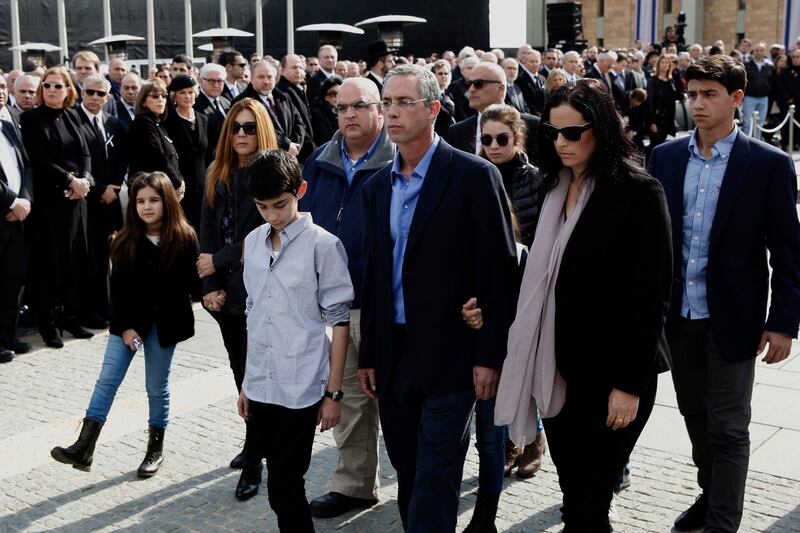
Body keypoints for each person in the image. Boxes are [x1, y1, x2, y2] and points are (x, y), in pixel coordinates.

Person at [495, 79, 672, 532]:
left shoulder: (638, 192)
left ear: (603, 130)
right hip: (559, 372)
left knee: (587, 505)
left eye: (573, 132)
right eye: (553, 133)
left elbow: (650, 297)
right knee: (576, 496)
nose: (561, 142)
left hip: (614, 378)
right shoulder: (554, 187)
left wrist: (628, 385)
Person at [359, 64, 518, 531]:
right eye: (386, 102)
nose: (391, 112)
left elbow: (499, 273)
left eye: (403, 102)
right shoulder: (375, 188)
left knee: (435, 477)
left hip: (452, 354)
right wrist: (370, 352)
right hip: (393, 356)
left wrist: (490, 355)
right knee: (409, 476)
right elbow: (373, 278)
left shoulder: (472, 175)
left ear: (432, 109)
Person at [648, 54, 800, 533]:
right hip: (679, 317)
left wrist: (782, 323)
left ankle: (721, 523)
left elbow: (789, 252)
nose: (697, 104)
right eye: (692, 94)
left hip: (735, 316)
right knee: (695, 416)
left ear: (737, 99)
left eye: (709, 95)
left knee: (729, 427)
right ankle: (710, 492)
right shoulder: (666, 157)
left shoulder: (769, 165)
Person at [50, 171, 199, 477]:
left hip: (164, 326)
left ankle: (155, 449)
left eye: (154, 200)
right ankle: (84, 446)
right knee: (107, 380)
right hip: (128, 324)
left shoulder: (184, 238)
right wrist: (128, 326)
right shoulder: (123, 240)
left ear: (167, 202)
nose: (146, 206)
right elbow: (118, 293)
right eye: (140, 200)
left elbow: (192, 286)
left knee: (156, 388)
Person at [238, 149, 353, 531]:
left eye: (280, 205)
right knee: (278, 487)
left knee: (287, 484)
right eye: (263, 207)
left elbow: (339, 324)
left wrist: (333, 394)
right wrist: (246, 383)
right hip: (261, 384)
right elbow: (255, 314)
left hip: (303, 385)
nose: (273, 215)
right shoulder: (253, 242)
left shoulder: (323, 245)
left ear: (300, 191)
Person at [301, 77, 394, 518]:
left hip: (385, 303)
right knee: (350, 399)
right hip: (335, 305)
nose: (350, 115)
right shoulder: (319, 160)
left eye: (360, 106)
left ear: (380, 110)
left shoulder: (398, 159)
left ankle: (417, 483)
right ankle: (356, 485)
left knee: (394, 397)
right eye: (342, 108)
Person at [458, 103, 547, 532]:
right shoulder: (472, 177)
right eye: (486, 139)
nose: (492, 146)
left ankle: (488, 513)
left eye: (501, 139)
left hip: (512, 320)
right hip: (467, 330)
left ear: (517, 140)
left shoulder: (533, 183)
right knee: (480, 435)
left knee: (494, 432)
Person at [198, 97, 279, 501]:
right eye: (235, 127)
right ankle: (254, 444)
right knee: (239, 372)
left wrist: (219, 259)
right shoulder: (217, 172)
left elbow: (268, 232)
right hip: (224, 294)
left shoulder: (271, 172)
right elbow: (206, 233)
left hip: (260, 291)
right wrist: (209, 282)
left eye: (249, 127)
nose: (242, 134)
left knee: (256, 374)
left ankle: (254, 460)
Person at [20, 66, 95, 348]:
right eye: (47, 86)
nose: (52, 90)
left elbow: (85, 152)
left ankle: (71, 317)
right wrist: (69, 180)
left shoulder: (73, 115)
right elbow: (38, 159)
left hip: (76, 201)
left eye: (58, 86)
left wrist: (85, 180)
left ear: (68, 90)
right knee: (48, 265)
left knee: (74, 260)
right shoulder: (31, 118)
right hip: (50, 202)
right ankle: (48, 324)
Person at [76, 74, 128, 328]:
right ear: (82, 93)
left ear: (108, 97)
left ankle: (109, 306)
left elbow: (122, 160)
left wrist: (115, 187)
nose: (95, 97)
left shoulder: (114, 124)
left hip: (112, 199)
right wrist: (100, 190)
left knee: (111, 255)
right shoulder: (74, 121)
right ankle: (91, 309)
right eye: (90, 92)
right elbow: (78, 163)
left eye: (101, 94)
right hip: (88, 200)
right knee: (91, 258)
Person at [448, 63, 540, 163]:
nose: (471, 89)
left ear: (500, 89)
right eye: (469, 84)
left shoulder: (533, 126)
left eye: (478, 84)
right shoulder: (456, 132)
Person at [0, 113, 33, 361]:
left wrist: (24, 200)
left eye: (2, 87)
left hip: (18, 218)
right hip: (3, 213)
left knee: (11, 282)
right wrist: (11, 202)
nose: (0, 92)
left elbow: (27, 166)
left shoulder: (9, 127)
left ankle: (7, 336)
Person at [234, 61, 308, 160]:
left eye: (269, 77)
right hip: (260, 160)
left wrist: (295, 146)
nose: (266, 81)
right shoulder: (242, 102)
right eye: (261, 77)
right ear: (251, 79)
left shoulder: (284, 97)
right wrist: (286, 145)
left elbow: (299, 123)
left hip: (290, 158)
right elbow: (261, 128)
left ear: (275, 78)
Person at [164, 75, 209, 229]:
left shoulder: (203, 119)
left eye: (191, 92)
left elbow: (209, 153)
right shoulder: (168, 121)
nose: (188, 96)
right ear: (174, 96)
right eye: (183, 92)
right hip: (180, 187)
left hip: (203, 187)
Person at [127, 79, 185, 195]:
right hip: (150, 191)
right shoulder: (143, 123)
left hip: (163, 188)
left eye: (164, 96)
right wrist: (177, 182)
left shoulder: (157, 124)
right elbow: (158, 157)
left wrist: (180, 180)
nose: (161, 100)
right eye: (155, 96)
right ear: (143, 101)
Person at [277, 54, 316, 161]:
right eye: (294, 67)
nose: (298, 71)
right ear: (282, 70)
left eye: (300, 67)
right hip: (296, 153)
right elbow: (297, 124)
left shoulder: (298, 89)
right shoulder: (283, 92)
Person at [195, 63, 231, 162]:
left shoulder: (227, 103)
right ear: (200, 80)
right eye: (211, 81)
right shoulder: (195, 105)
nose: (216, 85)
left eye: (219, 81)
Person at [646, 55, 681, 156]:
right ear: (658, 65)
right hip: (656, 119)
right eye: (662, 62)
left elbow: (672, 100)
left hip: (668, 118)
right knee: (655, 146)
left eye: (667, 63)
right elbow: (650, 103)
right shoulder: (652, 81)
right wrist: (652, 122)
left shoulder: (671, 80)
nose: (665, 65)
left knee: (664, 146)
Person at [742, 42, 778, 137]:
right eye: (757, 50)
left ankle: (757, 145)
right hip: (749, 97)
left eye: (761, 50)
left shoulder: (769, 66)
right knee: (747, 124)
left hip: (764, 98)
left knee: (760, 124)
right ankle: (746, 145)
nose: (759, 52)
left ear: (764, 51)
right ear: (753, 52)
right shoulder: (746, 65)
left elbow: (773, 82)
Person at [777, 48, 800, 150]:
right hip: (787, 103)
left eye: (798, 57)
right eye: (793, 57)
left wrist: (796, 98)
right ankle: (785, 143)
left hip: (799, 103)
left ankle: (796, 143)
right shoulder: (785, 71)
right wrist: (788, 98)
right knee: (785, 124)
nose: (795, 59)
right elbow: (780, 86)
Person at [310, 77, 342, 147]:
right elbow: (324, 139)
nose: (338, 97)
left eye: (341, 93)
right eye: (333, 94)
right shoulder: (318, 114)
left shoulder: (345, 112)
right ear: (326, 97)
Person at [516, 50, 546, 116]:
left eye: (537, 61)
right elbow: (526, 102)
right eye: (532, 61)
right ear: (525, 62)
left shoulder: (543, 78)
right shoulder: (520, 80)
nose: (535, 64)